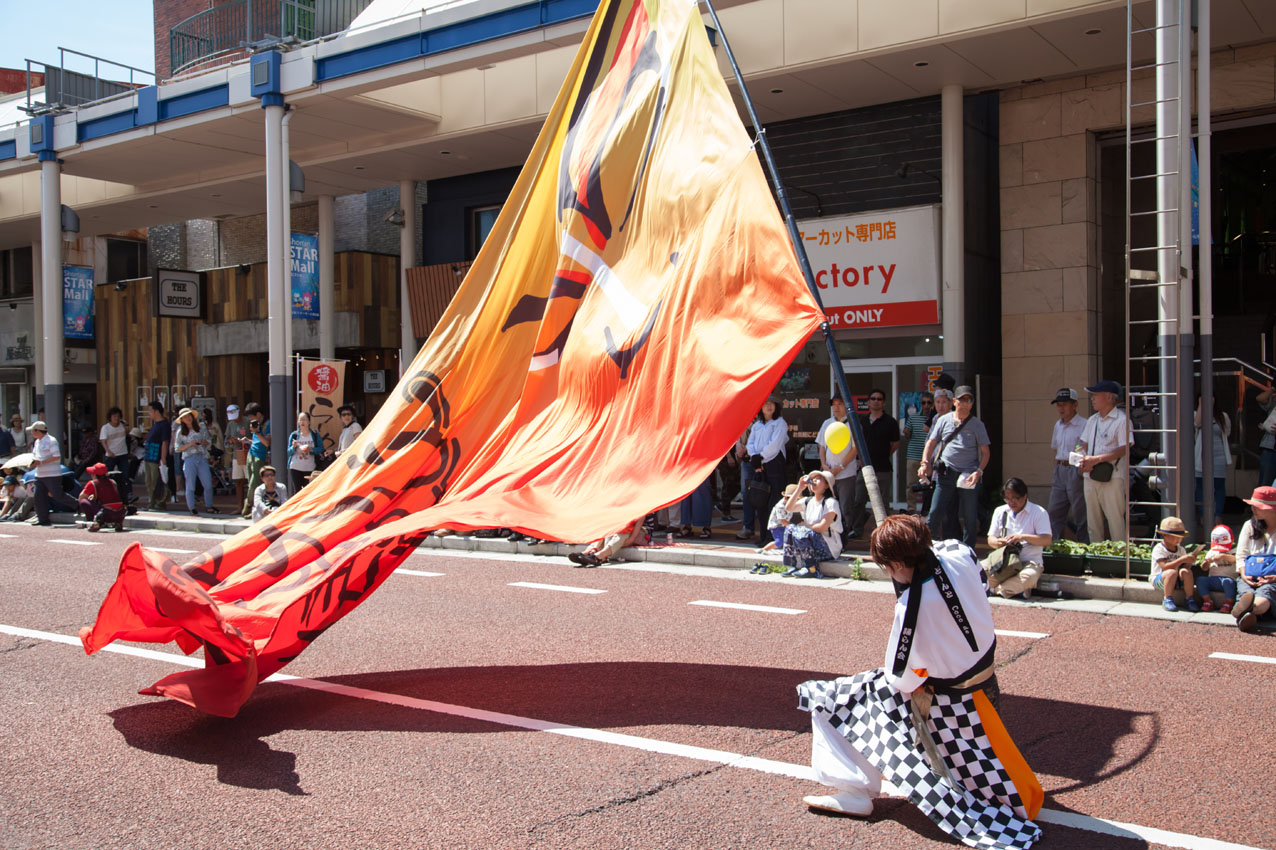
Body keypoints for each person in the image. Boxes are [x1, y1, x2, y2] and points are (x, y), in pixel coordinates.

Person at [796, 514, 1043, 847]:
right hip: (986, 683)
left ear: (897, 562)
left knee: (828, 698)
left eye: (888, 566)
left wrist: (905, 593)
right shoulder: (959, 552)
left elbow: (900, 679)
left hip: (952, 707)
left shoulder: (911, 608)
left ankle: (854, 790)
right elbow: (975, 582)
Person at [919, 385, 990, 549]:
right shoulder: (943, 420)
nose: (965, 403)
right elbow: (931, 443)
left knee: (970, 517)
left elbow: (986, 452)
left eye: (969, 400)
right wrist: (924, 463)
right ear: (955, 401)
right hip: (946, 472)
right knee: (935, 512)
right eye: (962, 400)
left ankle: (969, 553)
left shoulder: (977, 424)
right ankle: (930, 548)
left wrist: (979, 471)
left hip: (968, 474)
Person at [1077, 380, 1130, 542]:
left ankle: (1120, 560)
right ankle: (1096, 557)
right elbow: (1081, 443)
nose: (1092, 398)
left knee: (1115, 520)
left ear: (1108, 397)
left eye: (1095, 395)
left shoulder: (1122, 419)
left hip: (1113, 477)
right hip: (1090, 476)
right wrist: (1080, 457)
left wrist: (1096, 459)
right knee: (1093, 522)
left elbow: (1125, 448)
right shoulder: (1092, 420)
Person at [984, 478, 1052, 600]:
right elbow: (991, 539)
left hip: (1029, 562)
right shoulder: (1000, 511)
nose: (1011, 502)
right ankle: (1012, 590)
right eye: (1008, 499)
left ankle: (996, 590)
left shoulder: (1039, 512)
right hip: (1005, 561)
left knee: (1029, 577)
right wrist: (998, 542)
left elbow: (1047, 540)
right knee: (979, 572)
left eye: (1016, 498)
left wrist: (1023, 537)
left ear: (1025, 496)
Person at [846, 388, 900, 540]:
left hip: (883, 468)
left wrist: (883, 455)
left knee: (882, 503)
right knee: (858, 501)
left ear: (883, 403)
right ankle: (857, 529)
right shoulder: (861, 421)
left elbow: (895, 444)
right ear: (868, 402)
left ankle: (884, 532)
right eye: (873, 398)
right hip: (863, 469)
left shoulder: (890, 422)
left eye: (879, 399)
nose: (876, 401)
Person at [737, 397, 787, 541]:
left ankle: (774, 538)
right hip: (758, 465)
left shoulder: (780, 423)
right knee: (761, 501)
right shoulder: (757, 425)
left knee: (774, 502)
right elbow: (750, 443)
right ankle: (764, 537)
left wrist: (761, 456)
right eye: (765, 404)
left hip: (774, 464)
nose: (769, 406)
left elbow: (775, 445)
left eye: (772, 404)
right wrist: (754, 457)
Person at [779, 469, 842, 579]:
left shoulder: (831, 502)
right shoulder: (808, 501)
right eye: (813, 479)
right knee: (790, 528)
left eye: (819, 479)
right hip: (812, 543)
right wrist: (800, 487)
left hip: (829, 548)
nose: (814, 481)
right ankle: (795, 565)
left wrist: (804, 527)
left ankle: (811, 568)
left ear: (827, 485)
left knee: (801, 531)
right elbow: (788, 507)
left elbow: (822, 527)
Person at [1047, 388, 1088, 543]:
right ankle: (1056, 545)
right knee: (1054, 511)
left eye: (1064, 404)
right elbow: (1055, 449)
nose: (1061, 408)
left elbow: (1086, 449)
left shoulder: (1084, 424)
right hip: (1060, 469)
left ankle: (1084, 546)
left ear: (1075, 405)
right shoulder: (1058, 425)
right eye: (1058, 405)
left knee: (1080, 512)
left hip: (1076, 469)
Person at [816, 394, 858, 546]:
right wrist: (823, 464)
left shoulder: (852, 423)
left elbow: (855, 449)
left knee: (845, 506)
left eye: (839, 404)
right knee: (828, 505)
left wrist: (840, 467)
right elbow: (821, 446)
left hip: (846, 473)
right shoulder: (827, 423)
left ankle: (843, 541)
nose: (836, 407)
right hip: (828, 474)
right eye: (834, 404)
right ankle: (829, 538)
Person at [1233, 486, 1276, 632]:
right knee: (1247, 593)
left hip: (1272, 579)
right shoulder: (1249, 525)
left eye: (1258, 506)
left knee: (1265, 594)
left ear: (1272, 508)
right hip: (1249, 575)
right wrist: (1244, 574)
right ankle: (1249, 612)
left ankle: (1246, 611)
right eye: (1253, 506)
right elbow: (1241, 555)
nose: (1253, 510)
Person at [28, 420, 77, 526]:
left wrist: (41, 462)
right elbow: (35, 455)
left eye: (33, 430)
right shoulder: (37, 442)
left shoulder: (51, 440)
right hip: (40, 474)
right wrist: (33, 462)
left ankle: (78, 505)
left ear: (38, 431)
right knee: (39, 496)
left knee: (57, 495)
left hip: (52, 474)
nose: (31, 433)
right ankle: (42, 518)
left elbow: (56, 456)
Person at [1194, 396, 1231, 528]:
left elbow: (1227, 431)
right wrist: (1201, 405)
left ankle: (1218, 515)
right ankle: (1204, 516)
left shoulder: (1223, 416)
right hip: (1201, 458)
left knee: (1219, 487)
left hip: (1219, 456)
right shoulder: (1197, 414)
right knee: (1201, 487)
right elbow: (1197, 424)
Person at [1150, 516, 1198, 613]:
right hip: (1159, 579)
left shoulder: (1181, 549)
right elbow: (1164, 566)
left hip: (1176, 579)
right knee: (1171, 572)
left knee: (1186, 572)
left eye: (1180, 538)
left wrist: (1189, 562)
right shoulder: (1159, 549)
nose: (1178, 540)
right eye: (1175, 537)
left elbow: (1183, 567)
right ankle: (1167, 598)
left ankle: (1190, 599)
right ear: (1165, 535)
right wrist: (1181, 560)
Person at [174, 408, 217, 515]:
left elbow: (208, 441)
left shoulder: (201, 427)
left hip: (202, 457)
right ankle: (191, 507)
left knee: (207, 483)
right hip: (189, 458)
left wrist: (200, 442)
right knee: (190, 484)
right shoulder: (180, 431)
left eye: (189, 416)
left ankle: (209, 505)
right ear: (182, 420)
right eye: (184, 417)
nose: (188, 418)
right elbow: (177, 448)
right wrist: (189, 444)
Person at [568, 518, 646, 567]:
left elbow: (632, 538)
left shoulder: (640, 506)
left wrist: (630, 540)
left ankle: (599, 556)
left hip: (642, 534)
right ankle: (588, 552)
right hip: (623, 531)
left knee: (622, 534)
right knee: (607, 530)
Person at [1196, 525, 1237, 614]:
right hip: (1213, 579)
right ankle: (1207, 601)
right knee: (1200, 580)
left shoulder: (1234, 551)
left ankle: (1229, 603)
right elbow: (1204, 568)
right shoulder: (1212, 551)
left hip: (1228, 579)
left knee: (1228, 582)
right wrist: (1207, 562)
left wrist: (1223, 556)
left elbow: (1235, 559)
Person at [753, 483, 800, 561]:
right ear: (786, 498)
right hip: (776, 526)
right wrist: (792, 527)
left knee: (788, 538)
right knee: (779, 541)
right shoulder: (780, 506)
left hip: (784, 525)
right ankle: (764, 549)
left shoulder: (792, 504)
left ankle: (789, 552)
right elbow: (782, 520)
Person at [901, 392, 932, 505]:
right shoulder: (913, 418)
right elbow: (907, 435)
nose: (926, 405)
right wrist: (906, 432)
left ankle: (926, 509)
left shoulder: (936, 418)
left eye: (929, 403)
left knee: (928, 486)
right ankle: (911, 509)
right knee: (911, 484)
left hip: (929, 457)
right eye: (923, 403)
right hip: (913, 455)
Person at [241, 402, 271, 518]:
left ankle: (248, 505)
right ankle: (253, 509)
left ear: (258, 414)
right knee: (251, 483)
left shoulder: (267, 424)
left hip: (260, 456)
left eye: (251, 416)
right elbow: (257, 441)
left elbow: (266, 443)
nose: (250, 419)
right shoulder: (256, 425)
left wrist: (257, 432)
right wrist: (248, 440)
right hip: (251, 454)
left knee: (255, 483)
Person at [79, 462, 125, 533]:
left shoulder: (93, 483)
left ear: (95, 475)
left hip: (105, 513)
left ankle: (92, 522)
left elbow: (81, 497)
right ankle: (117, 522)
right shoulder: (113, 482)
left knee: (83, 501)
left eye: (92, 473)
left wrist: (91, 498)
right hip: (120, 513)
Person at [142, 402, 171, 511]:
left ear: (157, 411)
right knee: (148, 481)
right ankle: (152, 501)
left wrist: (163, 458)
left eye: (150, 411)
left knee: (156, 481)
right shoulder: (155, 424)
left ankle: (160, 502)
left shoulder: (164, 425)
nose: (149, 413)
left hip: (156, 457)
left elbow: (165, 442)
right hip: (148, 457)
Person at [287, 411, 324, 494]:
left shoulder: (314, 434)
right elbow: (289, 451)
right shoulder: (294, 435)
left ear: (309, 422)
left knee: (308, 492)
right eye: (300, 420)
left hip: (309, 467)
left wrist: (311, 450)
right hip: (295, 466)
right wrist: (294, 447)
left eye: (304, 420)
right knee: (297, 491)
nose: (302, 422)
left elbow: (321, 449)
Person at [99, 407, 130, 498]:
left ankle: (127, 493)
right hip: (111, 455)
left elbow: (128, 435)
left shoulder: (122, 426)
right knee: (107, 475)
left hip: (122, 453)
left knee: (125, 475)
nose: (116, 418)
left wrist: (126, 426)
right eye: (114, 416)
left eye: (118, 416)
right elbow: (103, 441)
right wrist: (108, 451)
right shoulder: (105, 428)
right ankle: (106, 493)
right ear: (110, 417)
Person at [224, 404, 250, 512]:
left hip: (248, 453)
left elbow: (255, 435)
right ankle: (239, 506)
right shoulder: (230, 424)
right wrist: (232, 440)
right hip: (236, 454)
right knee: (238, 481)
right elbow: (227, 440)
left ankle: (249, 506)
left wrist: (245, 440)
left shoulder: (248, 421)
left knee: (250, 481)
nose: (234, 420)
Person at [676, 473, 713, 539]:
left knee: (702, 495)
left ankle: (707, 527)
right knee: (686, 497)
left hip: (702, 467)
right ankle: (687, 526)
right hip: (688, 468)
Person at [1255, 384, 1276, 487]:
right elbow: (1259, 398)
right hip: (1270, 446)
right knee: (1265, 485)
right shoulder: (1273, 400)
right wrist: (1273, 388)